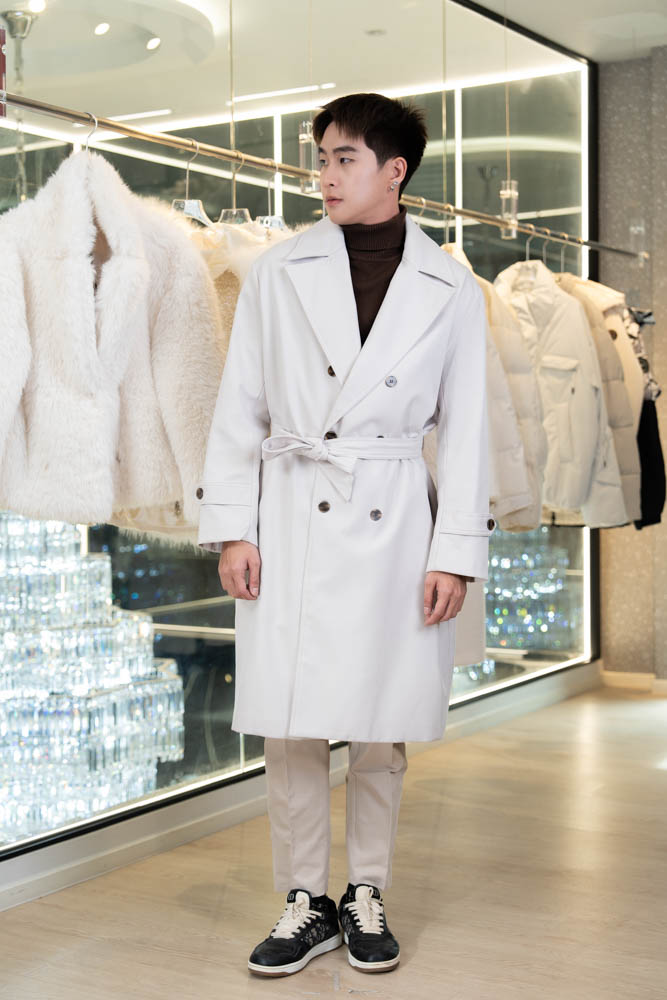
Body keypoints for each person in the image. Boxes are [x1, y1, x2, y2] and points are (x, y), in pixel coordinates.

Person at [195, 92, 494, 978]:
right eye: (320, 157)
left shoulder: (450, 286)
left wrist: (455, 554)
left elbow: (468, 430)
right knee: (288, 723)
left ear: (393, 171)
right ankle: (303, 899)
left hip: (396, 514)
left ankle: (365, 891)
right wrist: (232, 529)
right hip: (290, 509)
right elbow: (239, 407)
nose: (323, 175)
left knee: (378, 720)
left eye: (343, 158)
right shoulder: (277, 271)